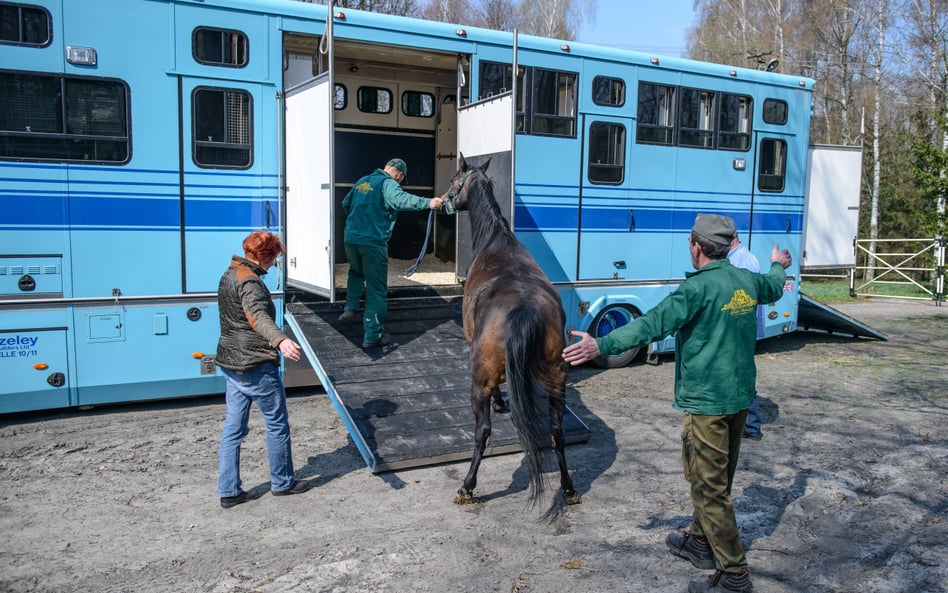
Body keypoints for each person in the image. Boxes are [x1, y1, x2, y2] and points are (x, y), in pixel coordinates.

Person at [563, 214, 792, 593]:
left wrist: (599, 345)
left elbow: (649, 325)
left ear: (696, 246)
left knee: (708, 486)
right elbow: (773, 285)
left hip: (708, 404)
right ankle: (701, 542)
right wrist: (777, 263)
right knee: (718, 478)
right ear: (727, 247)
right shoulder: (747, 280)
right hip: (738, 399)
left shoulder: (696, 290)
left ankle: (735, 575)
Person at [216, 230, 311, 509]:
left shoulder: (229, 273)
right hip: (256, 365)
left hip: (232, 365)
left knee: (233, 429)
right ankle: (283, 482)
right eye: (275, 257)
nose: (275, 263)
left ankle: (229, 491)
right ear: (266, 256)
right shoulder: (251, 283)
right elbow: (257, 316)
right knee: (277, 424)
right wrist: (280, 340)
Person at [339, 157, 445, 348]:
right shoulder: (388, 184)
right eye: (400, 180)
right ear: (399, 174)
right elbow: (401, 200)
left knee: (355, 272)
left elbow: (346, 203)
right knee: (376, 289)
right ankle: (372, 336)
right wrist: (428, 203)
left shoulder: (362, 181)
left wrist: (359, 222)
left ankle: (350, 308)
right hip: (372, 243)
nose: (399, 183)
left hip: (351, 238)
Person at [727, 232, 765, 442]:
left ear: (732, 238)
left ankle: (751, 425)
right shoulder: (737, 257)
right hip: (739, 329)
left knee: (741, 376)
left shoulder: (743, 260)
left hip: (741, 329)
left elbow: (743, 300)